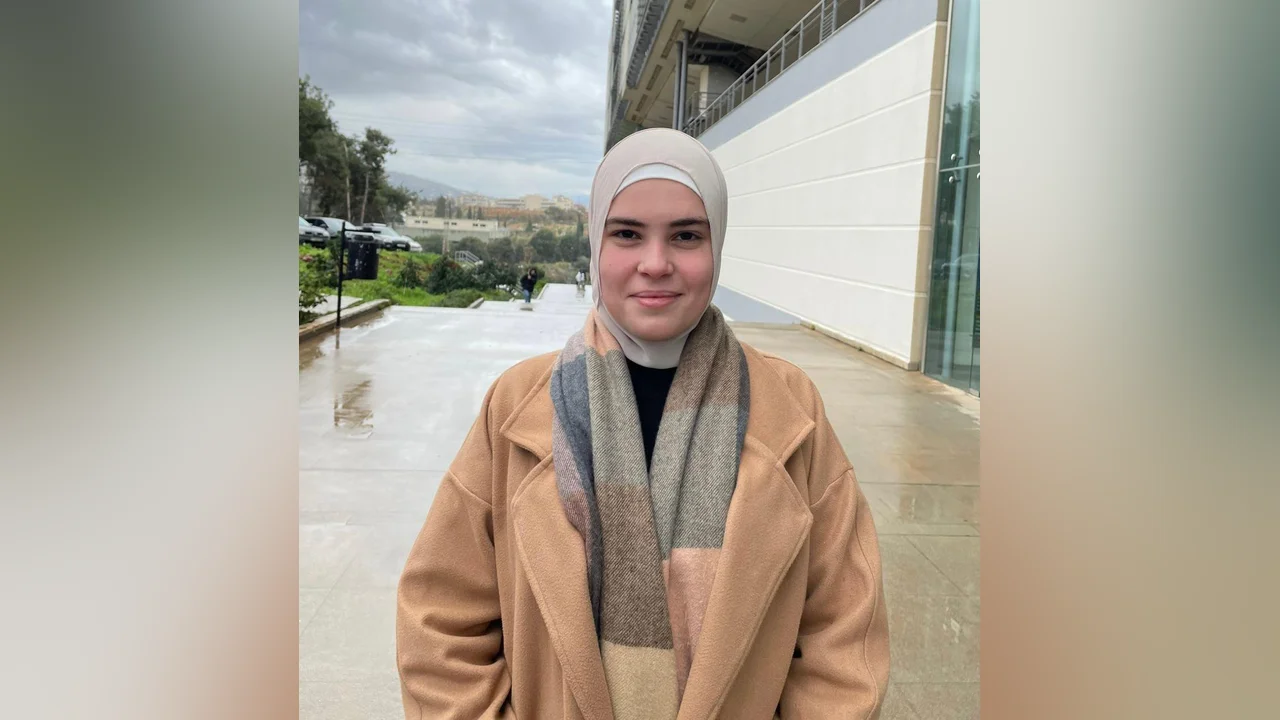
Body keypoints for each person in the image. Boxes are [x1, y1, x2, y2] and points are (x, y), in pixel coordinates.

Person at [396, 128, 888, 719]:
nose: (656, 264)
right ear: (595, 244)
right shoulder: (518, 405)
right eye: (627, 233)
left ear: (718, 245)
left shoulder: (791, 408)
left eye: (686, 235)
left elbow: (842, 634)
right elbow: (440, 621)